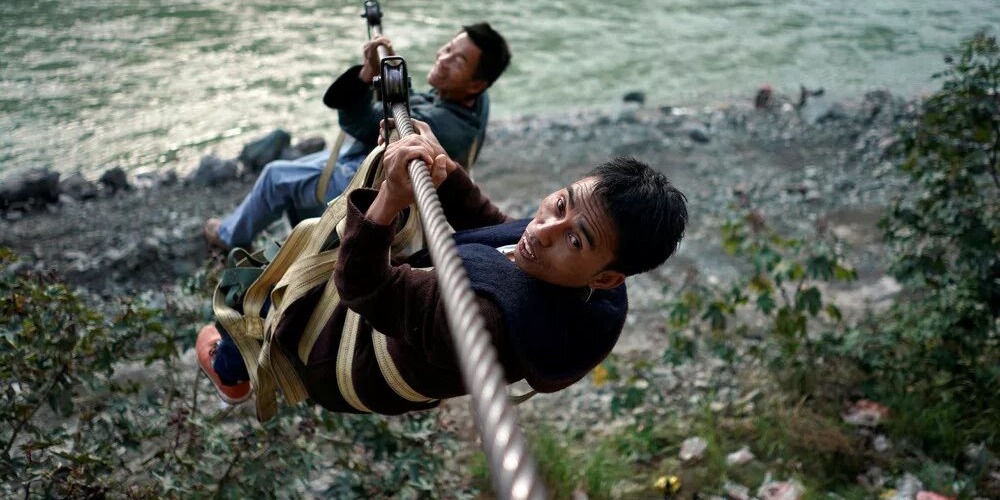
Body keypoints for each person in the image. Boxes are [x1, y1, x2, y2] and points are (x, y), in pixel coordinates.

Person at [197, 121, 688, 413]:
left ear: (606, 277)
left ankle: (231, 368)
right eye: (560, 203)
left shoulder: (485, 323)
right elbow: (498, 230)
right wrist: (446, 171)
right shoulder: (582, 280)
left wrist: (390, 198)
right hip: (415, 321)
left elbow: (362, 286)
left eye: (575, 239)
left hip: (345, 356)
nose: (543, 231)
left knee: (285, 291)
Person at [204, 23, 512, 251]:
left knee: (276, 175)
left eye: (457, 61)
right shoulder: (471, 99)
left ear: (476, 84)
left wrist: (368, 74)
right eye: (447, 48)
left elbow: (363, 123)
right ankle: (312, 237)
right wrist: (390, 73)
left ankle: (229, 239)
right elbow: (415, 103)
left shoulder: (442, 126)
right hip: (387, 176)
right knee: (297, 178)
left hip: (376, 188)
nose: (442, 59)